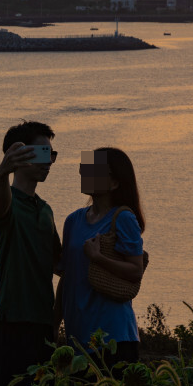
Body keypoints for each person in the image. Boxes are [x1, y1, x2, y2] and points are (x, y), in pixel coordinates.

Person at [0, 121, 62, 386]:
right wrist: (2, 172)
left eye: (52, 154)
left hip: (43, 328)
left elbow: (60, 265)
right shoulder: (4, 200)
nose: (49, 162)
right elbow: (0, 203)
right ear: (18, 154)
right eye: (43, 153)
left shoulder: (46, 210)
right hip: (11, 326)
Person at [59, 147, 146, 364]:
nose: (85, 174)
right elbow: (66, 277)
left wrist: (98, 258)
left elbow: (136, 270)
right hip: (78, 338)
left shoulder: (123, 218)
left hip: (114, 337)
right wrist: (54, 324)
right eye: (84, 168)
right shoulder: (73, 221)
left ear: (114, 183)